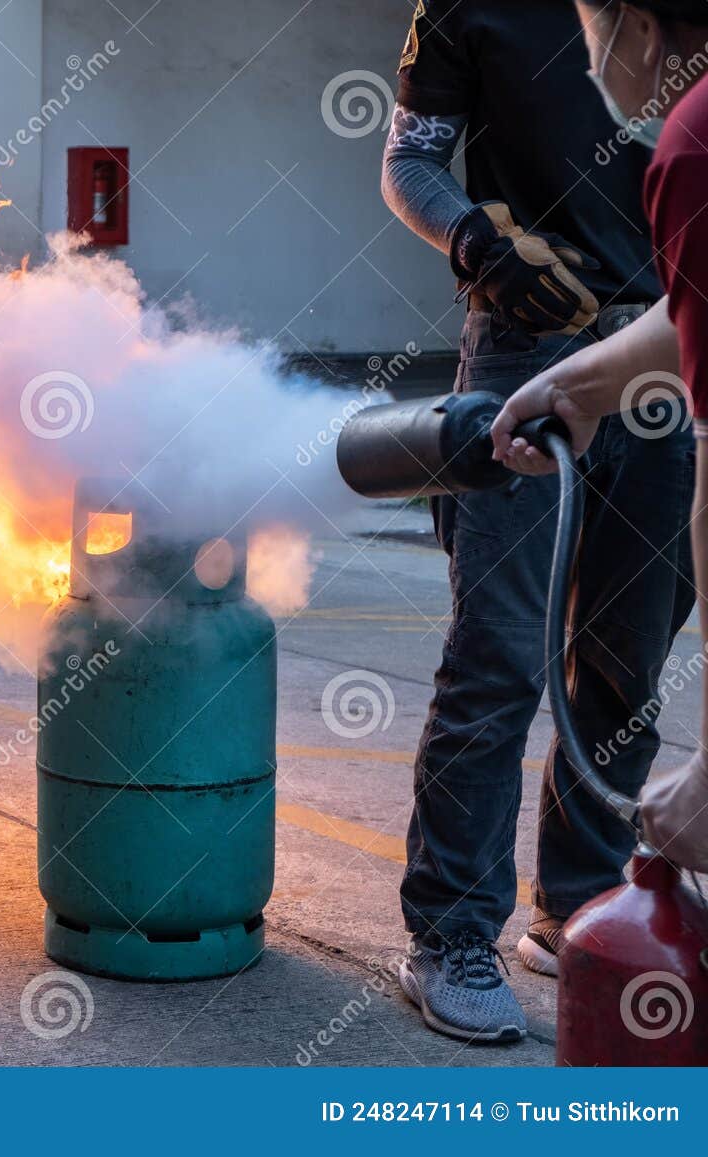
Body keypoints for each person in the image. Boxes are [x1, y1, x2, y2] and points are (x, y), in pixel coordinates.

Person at [380, 0, 695, 1043]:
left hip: (660, 347)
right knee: (497, 657)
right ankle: (450, 932)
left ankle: (580, 903)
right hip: (523, 346)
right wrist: (473, 237)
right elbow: (409, 162)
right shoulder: (467, 6)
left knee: (624, 658)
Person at [492, 0, 708, 878]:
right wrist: (575, 385)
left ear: (643, 30)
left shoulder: (694, 143)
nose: (588, 59)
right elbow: (696, 310)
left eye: (590, 24)